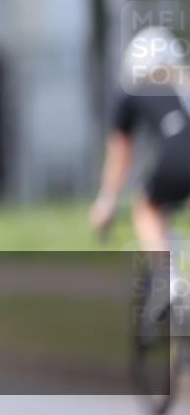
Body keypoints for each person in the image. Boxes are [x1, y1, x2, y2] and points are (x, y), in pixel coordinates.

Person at [90, 27, 190, 308]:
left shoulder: (133, 89)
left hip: (179, 155)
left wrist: (107, 201)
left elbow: (121, 153)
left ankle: (167, 281)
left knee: (147, 206)